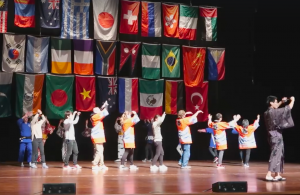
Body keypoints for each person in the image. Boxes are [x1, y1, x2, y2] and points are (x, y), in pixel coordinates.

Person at [264, 96, 295, 181]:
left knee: (279, 154)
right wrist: (292, 100)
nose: (277, 103)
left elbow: (277, 106)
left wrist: (281, 101)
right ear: (271, 103)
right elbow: (288, 108)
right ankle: (269, 174)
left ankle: (277, 174)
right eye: (276, 101)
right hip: (275, 135)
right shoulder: (273, 112)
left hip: (273, 135)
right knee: (275, 154)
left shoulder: (267, 112)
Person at [90, 101, 109, 170]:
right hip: (97, 136)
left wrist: (103, 107)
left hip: (99, 136)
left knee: (101, 150)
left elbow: (102, 112)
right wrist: (105, 106)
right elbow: (105, 113)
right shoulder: (95, 116)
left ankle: (101, 164)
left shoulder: (96, 116)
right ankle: (94, 164)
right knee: (99, 151)